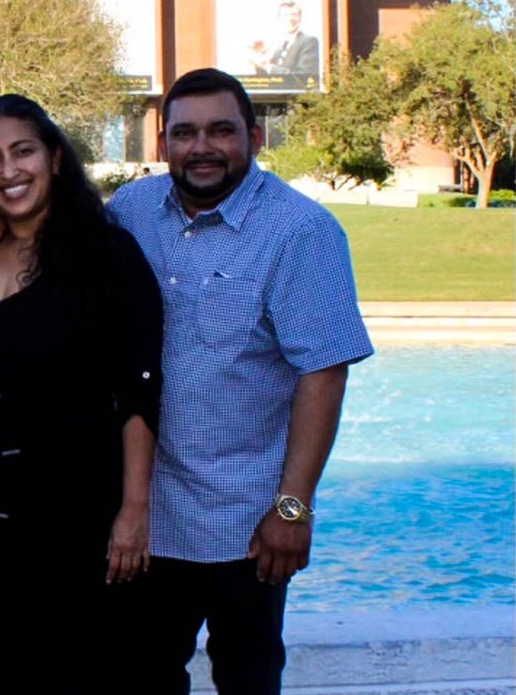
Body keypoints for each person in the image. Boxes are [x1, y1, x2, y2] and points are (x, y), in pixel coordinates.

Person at [105, 67, 374, 693]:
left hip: (247, 526)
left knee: (248, 679)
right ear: (162, 140)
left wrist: (293, 508)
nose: (202, 147)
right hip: (148, 518)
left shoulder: (301, 232)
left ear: (254, 137)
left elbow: (323, 372)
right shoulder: (132, 210)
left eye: (222, 131)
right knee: (138, 675)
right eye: (186, 132)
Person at [0, 94, 164, 693]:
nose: (8, 171)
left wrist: (133, 511)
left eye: (23, 152)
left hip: (82, 514)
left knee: (84, 671)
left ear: (56, 158)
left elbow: (139, 390)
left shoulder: (107, 256)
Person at [248, 0, 320, 76]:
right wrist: (259, 60)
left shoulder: (309, 41)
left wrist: (267, 66)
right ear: (279, 19)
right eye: (285, 15)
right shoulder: (280, 46)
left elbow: (304, 77)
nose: (290, 19)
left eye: (294, 15)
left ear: (300, 18)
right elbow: (269, 77)